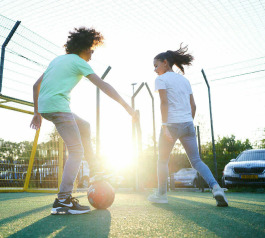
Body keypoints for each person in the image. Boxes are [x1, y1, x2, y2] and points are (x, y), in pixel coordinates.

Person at [30, 27, 136, 215]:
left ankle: (95, 171)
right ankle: (63, 200)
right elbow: (103, 85)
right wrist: (126, 107)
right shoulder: (79, 62)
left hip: (46, 107)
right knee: (76, 151)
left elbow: (35, 85)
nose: (92, 54)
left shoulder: (57, 60)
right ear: (85, 48)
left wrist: (37, 112)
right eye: (92, 50)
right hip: (58, 107)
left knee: (85, 126)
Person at [147, 44, 228, 207]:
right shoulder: (184, 80)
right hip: (188, 124)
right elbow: (194, 106)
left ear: (165, 62)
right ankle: (216, 187)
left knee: (162, 160)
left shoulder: (161, 79)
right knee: (197, 161)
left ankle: (161, 194)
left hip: (171, 124)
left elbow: (164, 103)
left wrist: (165, 126)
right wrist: (188, 122)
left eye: (156, 66)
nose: (155, 70)